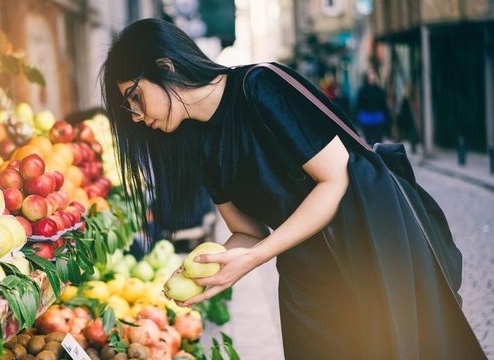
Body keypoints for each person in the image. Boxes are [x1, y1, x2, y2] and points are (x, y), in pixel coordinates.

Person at [101, 18, 485, 359]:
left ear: (165, 67)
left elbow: (336, 178)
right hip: (306, 284)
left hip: (369, 257)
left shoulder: (260, 86)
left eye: (135, 97)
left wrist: (255, 257)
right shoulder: (200, 145)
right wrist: (213, 270)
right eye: (127, 109)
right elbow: (248, 232)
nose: (137, 116)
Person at [355, 69, 391, 145]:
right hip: (366, 118)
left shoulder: (379, 90)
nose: (372, 77)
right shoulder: (362, 91)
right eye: (370, 75)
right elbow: (358, 105)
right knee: (369, 140)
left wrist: (386, 118)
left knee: (377, 140)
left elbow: (383, 105)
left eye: (373, 75)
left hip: (377, 118)